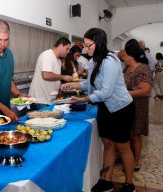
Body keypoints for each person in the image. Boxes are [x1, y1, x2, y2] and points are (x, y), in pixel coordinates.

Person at [61, 28, 136, 192]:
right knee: (108, 144)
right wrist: (73, 84)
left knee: (123, 147)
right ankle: (106, 181)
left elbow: (106, 92)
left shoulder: (110, 61)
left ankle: (129, 184)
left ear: (99, 42)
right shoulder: (93, 60)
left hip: (121, 108)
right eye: (85, 46)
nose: (86, 49)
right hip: (105, 107)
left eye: (89, 45)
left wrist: (83, 99)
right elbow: (91, 84)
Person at [123, 39, 152, 172]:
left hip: (138, 106)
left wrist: (126, 93)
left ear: (131, 55)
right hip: (126, 106)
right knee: (127, 133)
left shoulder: (143, 68)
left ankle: (136, 162)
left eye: (125, 55)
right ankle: (128, 159)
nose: (123, 58)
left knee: (135, 135)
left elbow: (145, 90)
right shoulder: (128, 68)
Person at [28, 37, 73, 109]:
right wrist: (63, 77)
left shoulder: (58, 60)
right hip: (40, 100)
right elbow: (46, 75)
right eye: (67, 49)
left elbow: (55, 78)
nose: (68, 52)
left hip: (49, 100)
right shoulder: (48, 55)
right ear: (61, 46)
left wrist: (63, 86)